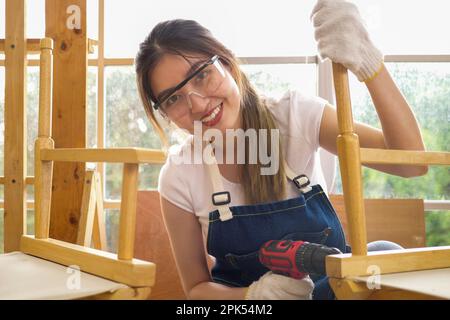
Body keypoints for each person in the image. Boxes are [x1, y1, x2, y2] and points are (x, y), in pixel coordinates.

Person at [135, 0, 428, 300]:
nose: (196, 104)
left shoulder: (296, 116)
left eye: (201, 75)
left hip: (331, 292)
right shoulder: (180, 173)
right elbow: (196, 289)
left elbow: (411, 163)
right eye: (173, 99)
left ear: (226, 61)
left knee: (385, 255)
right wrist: (252, 296)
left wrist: (368, 62)